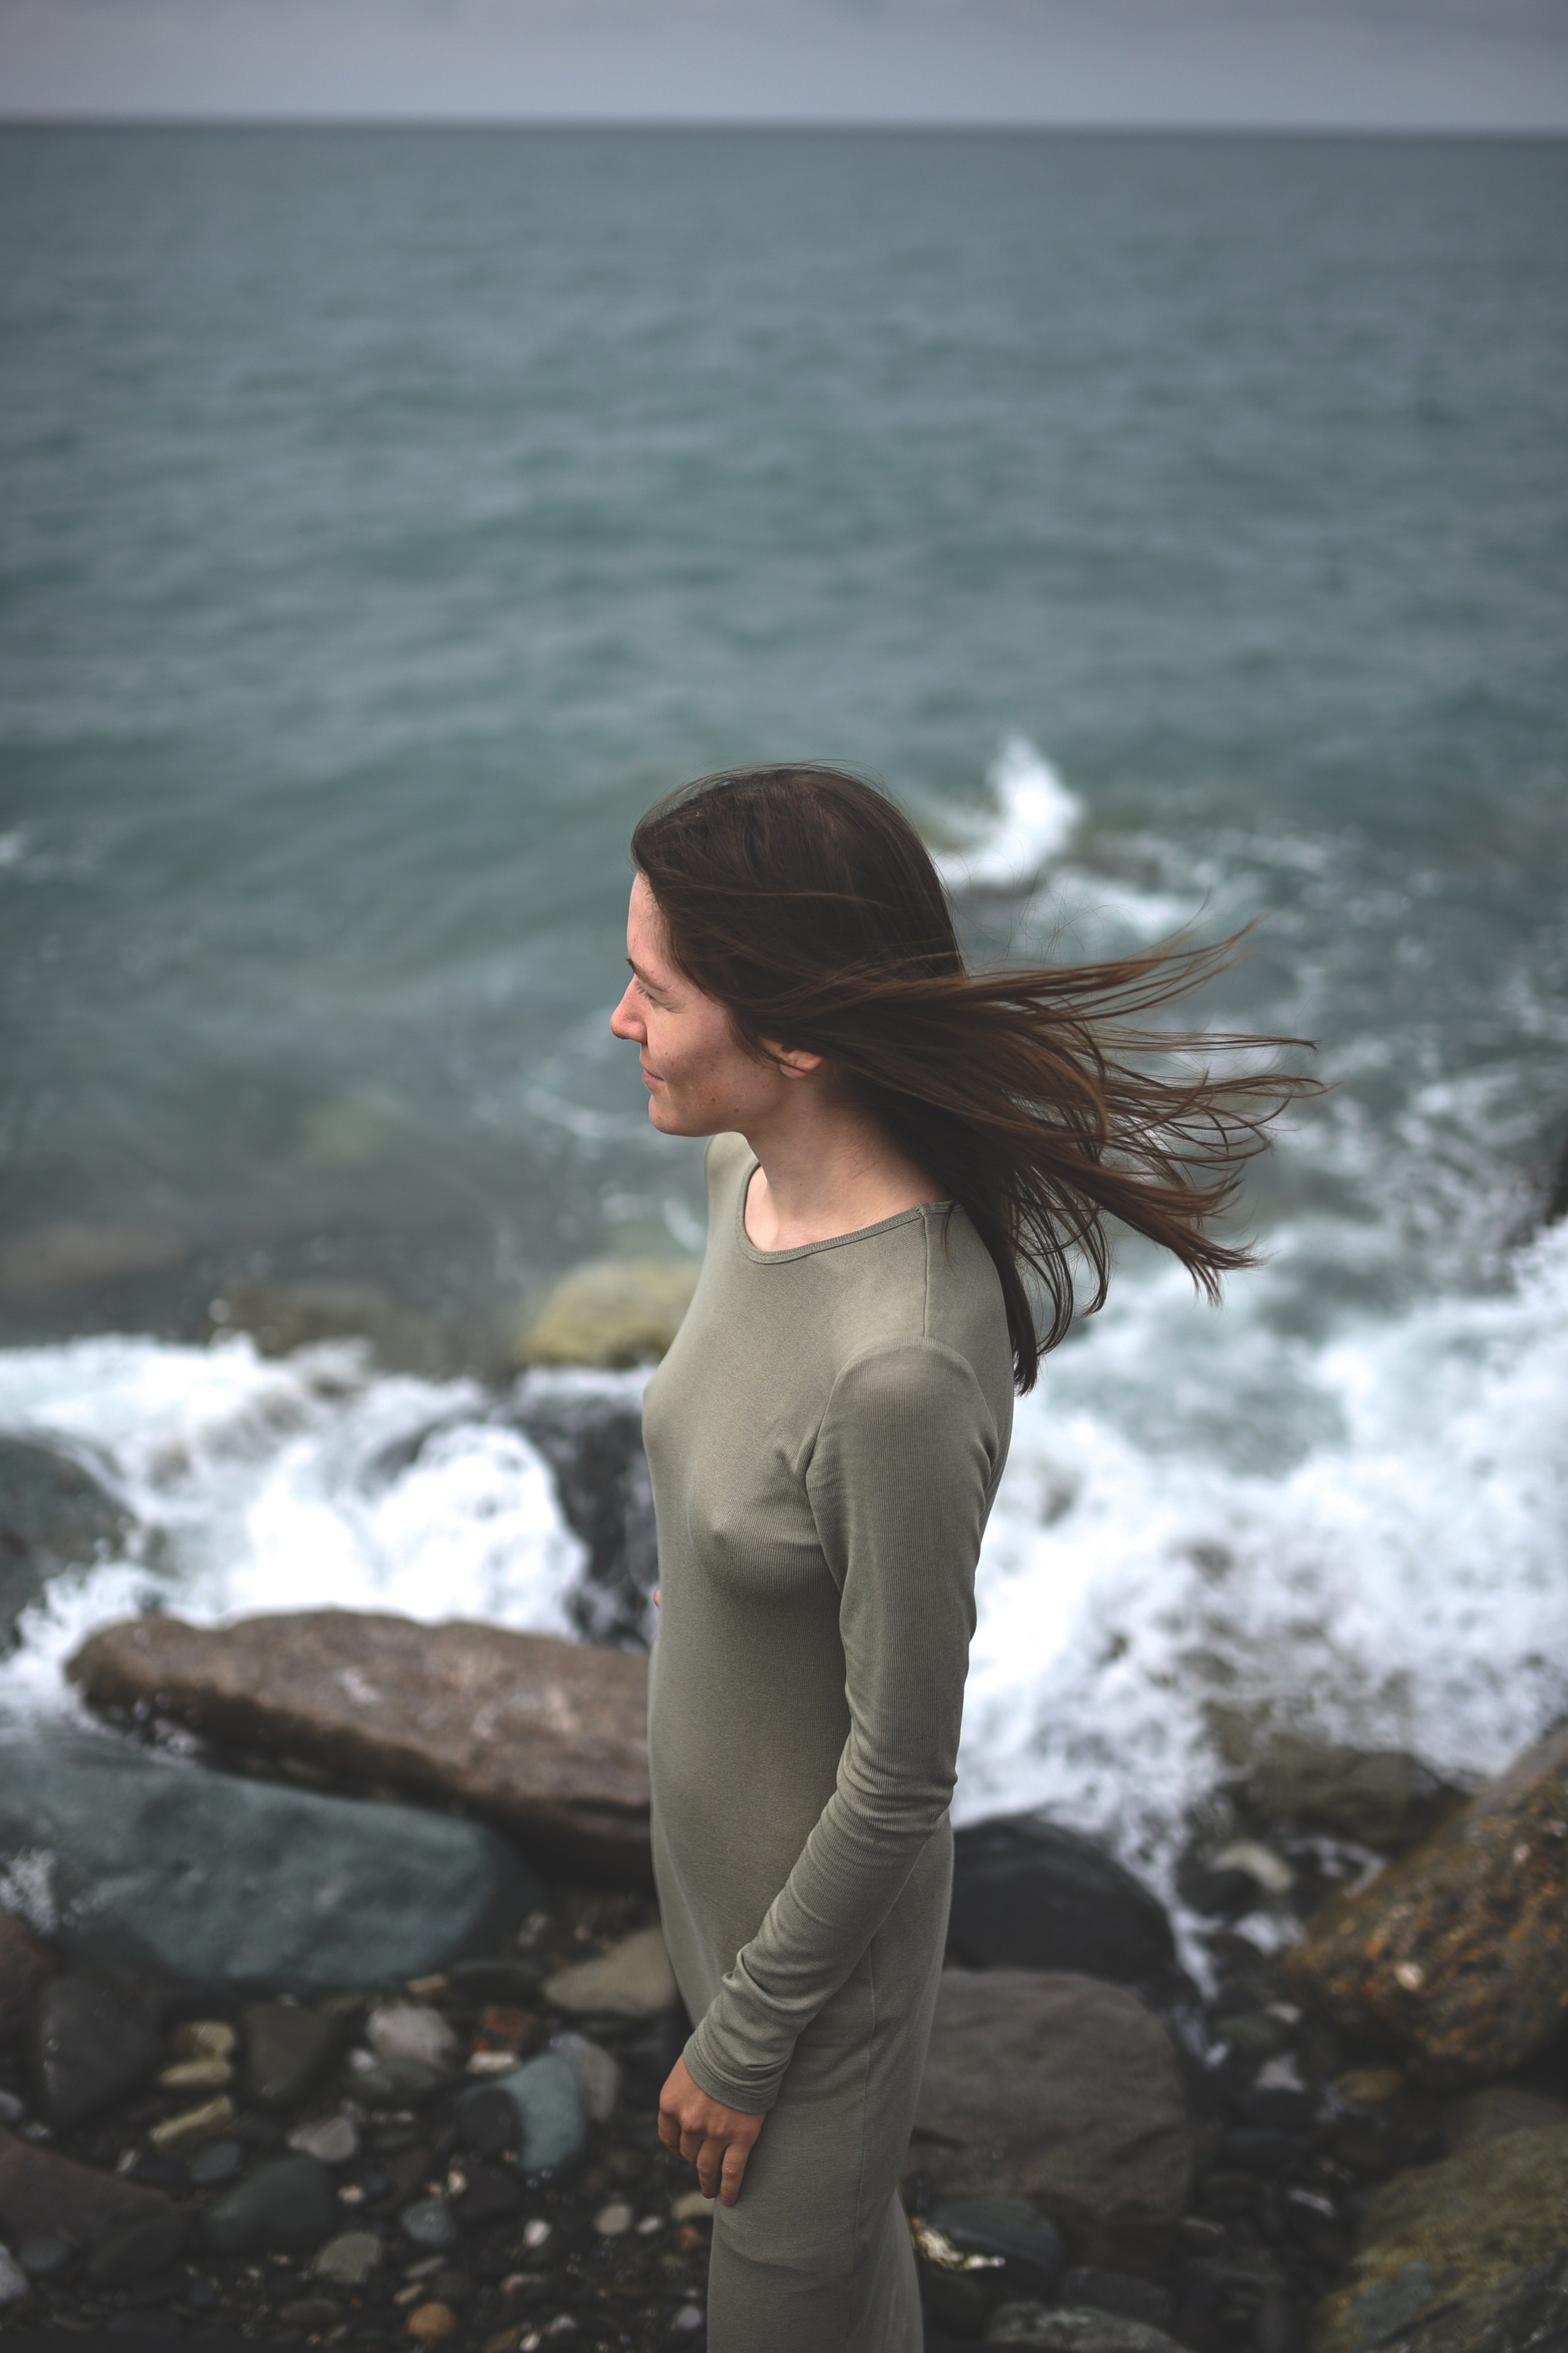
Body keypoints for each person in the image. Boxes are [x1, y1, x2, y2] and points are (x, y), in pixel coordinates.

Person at [608, 765, 1313, 2353]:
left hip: (812, 1971)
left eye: (654, 987)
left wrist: (746, 2040)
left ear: (794, 1035)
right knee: (854, 2299)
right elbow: (742, 1462)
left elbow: (905, 1771)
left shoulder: (905, 1367)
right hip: (711, 1874)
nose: (618, 1020)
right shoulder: (751, 1176)